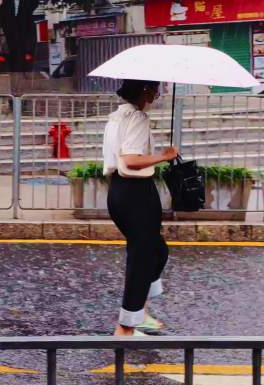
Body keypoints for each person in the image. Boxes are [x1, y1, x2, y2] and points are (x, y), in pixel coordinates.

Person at [102, 79, 178, 337]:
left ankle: (140, 314)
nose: (156, 94)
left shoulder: (117, 117)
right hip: (135, 192)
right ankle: (125, 328)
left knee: (156, 251)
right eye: (154, 89)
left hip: (119, 192)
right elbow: (131, 159)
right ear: (144, 90)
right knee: (143, 258)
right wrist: (164, 156)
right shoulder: (137, 117)